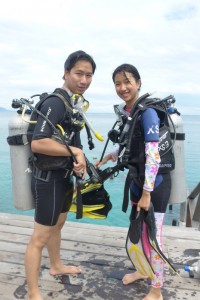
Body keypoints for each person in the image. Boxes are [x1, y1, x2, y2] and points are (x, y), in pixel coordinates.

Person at [95, 64, 171, 300]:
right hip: (138, 181)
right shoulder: (131, 112)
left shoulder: (147, 113)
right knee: (137, 232)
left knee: (153, 239)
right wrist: (111, 154)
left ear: (139, 82)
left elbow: (153, 154)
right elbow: (132, 143)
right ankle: (142, 270)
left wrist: (147, 193)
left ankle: (156, 290)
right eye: (117, 83)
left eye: (127, 81)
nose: (122, 87)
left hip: (154, 185)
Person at [25, 50, 96, 300]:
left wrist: (78, 160)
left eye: (88, 75)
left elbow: (63, 144)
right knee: (40, 237)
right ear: (66, 73)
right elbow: (38, 143)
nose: (84, 80)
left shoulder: (71, 104)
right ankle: (34, 292)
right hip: (48, 180)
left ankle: (56, 265)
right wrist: (75, 150)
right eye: (78, 73)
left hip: (63, 178)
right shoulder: (56, 102)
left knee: (58, 226)